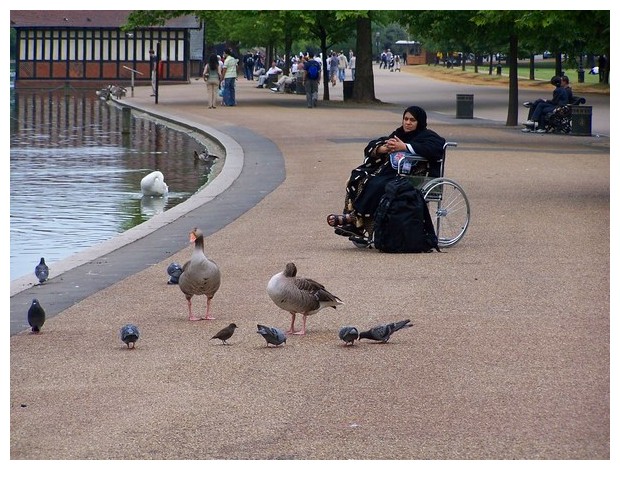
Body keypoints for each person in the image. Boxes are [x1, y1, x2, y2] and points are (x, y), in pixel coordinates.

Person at [326, 106, 445, 238]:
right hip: (392, 171)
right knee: (359, 176)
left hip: (413, 175)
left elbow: (438, 148)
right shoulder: (399, 133)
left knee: (378, 184)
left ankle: (353, 219)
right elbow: (379, 143)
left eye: (412, 120)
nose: (408, 122)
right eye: (405, 119)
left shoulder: (427, 136)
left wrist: (405, 147)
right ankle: (355, 223)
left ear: (420, 122)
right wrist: (382, 149)